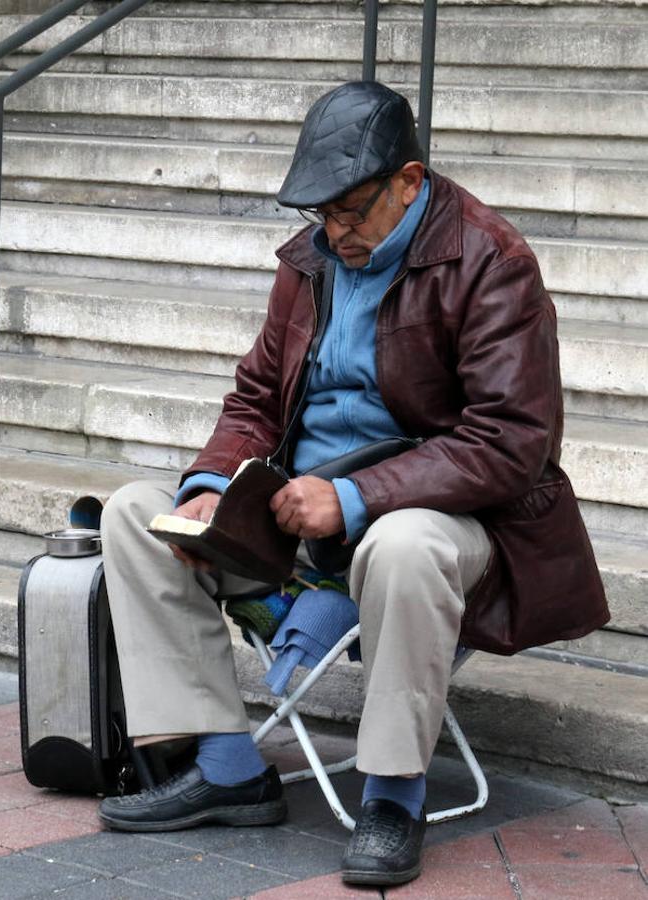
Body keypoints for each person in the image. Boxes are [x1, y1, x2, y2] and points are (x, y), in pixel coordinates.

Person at [96, 81, 608, 887]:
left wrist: (359, 498)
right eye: (321, 214)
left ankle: (394, 797)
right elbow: (258, 399)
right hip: (300, 515)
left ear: (410, 181)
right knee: (135, 515)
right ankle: (229, 768)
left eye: (351, 212)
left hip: (445, 521)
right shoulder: (315, 260)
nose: (335, 232)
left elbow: (513, 442)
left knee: (403, 544)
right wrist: (209, 484)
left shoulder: (490, 261)